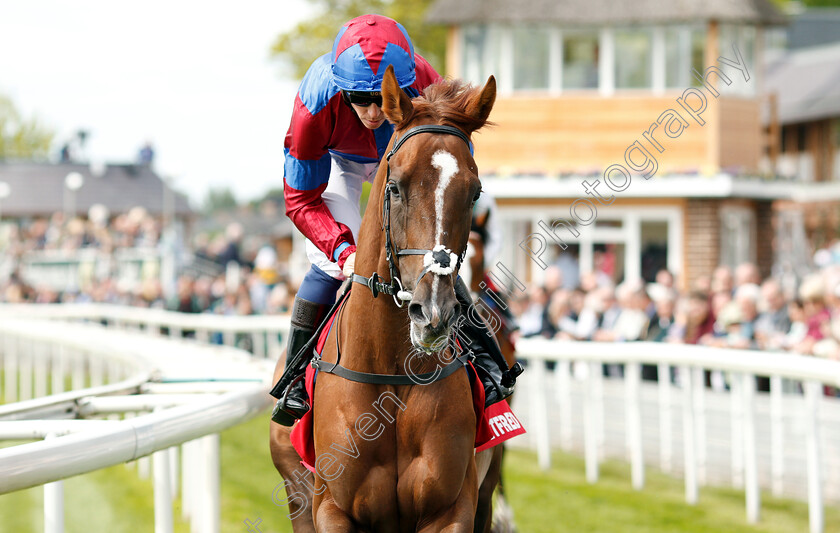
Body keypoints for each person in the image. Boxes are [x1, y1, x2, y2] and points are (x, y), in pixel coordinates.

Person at [272, 14, 516, 426]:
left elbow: (450, 161)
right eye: (357, 98)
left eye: (377, 98)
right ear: (339, 87)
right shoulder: (313, 105)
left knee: (432, 256)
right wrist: (343, 249)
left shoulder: (425, 82)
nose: (370, 112)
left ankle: (488, 370)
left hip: (407, 151)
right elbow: (300, 199)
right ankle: (295, 377)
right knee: (332, 263)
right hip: (337, 162)